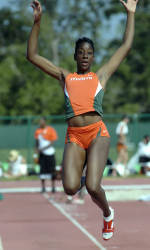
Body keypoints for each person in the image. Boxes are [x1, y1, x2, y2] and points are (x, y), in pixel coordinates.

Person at [27, 0, 138, 240]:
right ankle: (86, 164)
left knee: (92, 186)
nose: (85, 56)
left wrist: (130, 13)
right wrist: (37, 23)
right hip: (75, 137)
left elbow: (126, 46)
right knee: (69, 187)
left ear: (94, 56)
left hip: (97, 133)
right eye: (81, 52)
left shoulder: (101, 75)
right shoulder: (65, 76)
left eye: (89, 53)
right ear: (75, 55)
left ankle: (108, 213)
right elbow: (32, 56)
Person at [34, 117, 58, 193]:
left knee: (52, 170)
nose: (40, 122)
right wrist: (36, 152)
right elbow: (37, 143)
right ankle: (43, 187)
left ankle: (53, 187)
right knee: (42, 170)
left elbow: (52, 142)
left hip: (50, 153)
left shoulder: (50, 130)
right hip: (42, 154)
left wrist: (43, 148)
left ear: (45, 122)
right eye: (39, 121)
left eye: (41, 121)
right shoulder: (38, 131)